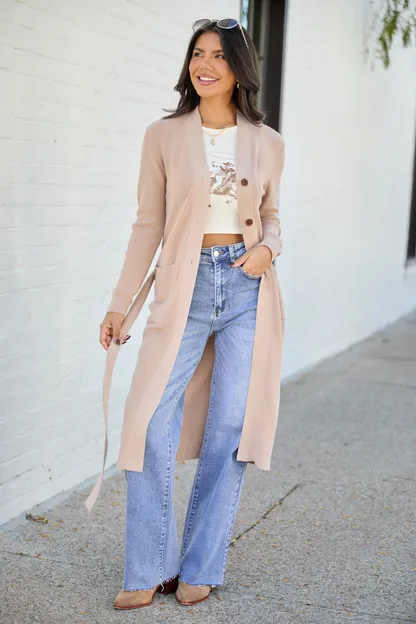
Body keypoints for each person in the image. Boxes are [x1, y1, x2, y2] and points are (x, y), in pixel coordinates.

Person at [87, 17, 286, 610]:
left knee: (230, 428)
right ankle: (148, 568)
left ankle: (201, 565)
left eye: (219, 56)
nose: (205, 65)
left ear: (239, 69)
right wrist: (120, 304)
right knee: (149, 420)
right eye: (198, 54)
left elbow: (272, 215)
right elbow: (148, 223)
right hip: (185, 286)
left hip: (247, 289)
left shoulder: (268, 141)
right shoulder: (165, 135)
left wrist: (268, 248)